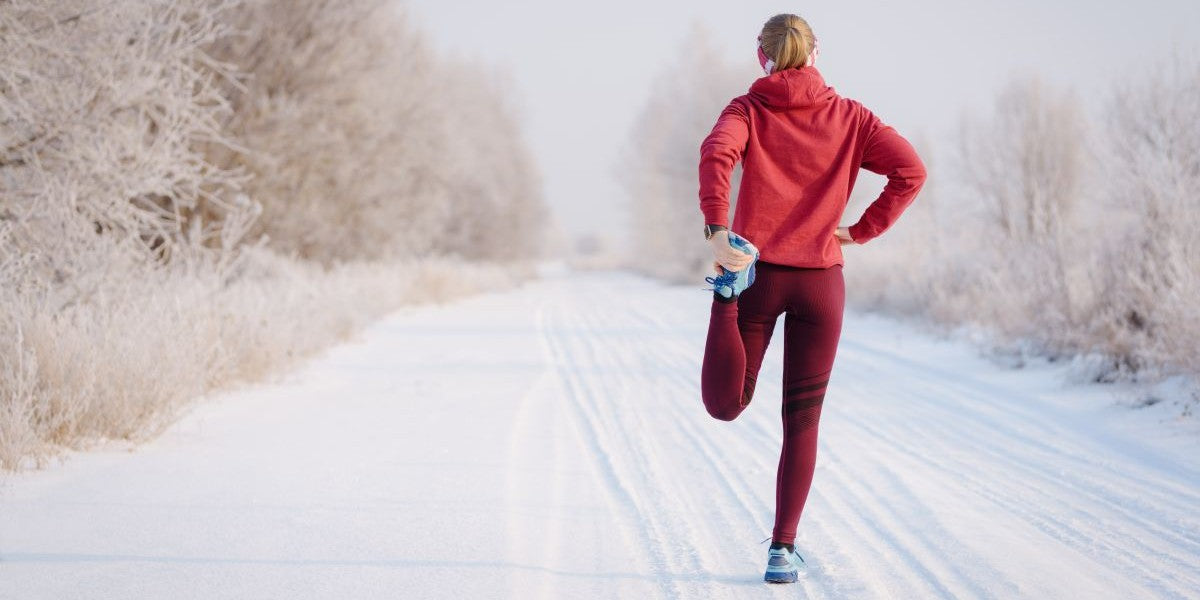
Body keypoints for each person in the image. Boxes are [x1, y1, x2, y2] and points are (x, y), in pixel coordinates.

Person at [697, 13, 927, 584]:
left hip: (759, 274)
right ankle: (782, 549)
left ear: (762, 57)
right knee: (802, 421)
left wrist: (718, 228)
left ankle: (725, 297)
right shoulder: (852, 117)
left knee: (726, 405)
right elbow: (911, 170)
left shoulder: (746, 110)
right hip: (822, 283)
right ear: (816, 53)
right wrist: (861, 229)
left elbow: (716, 154)